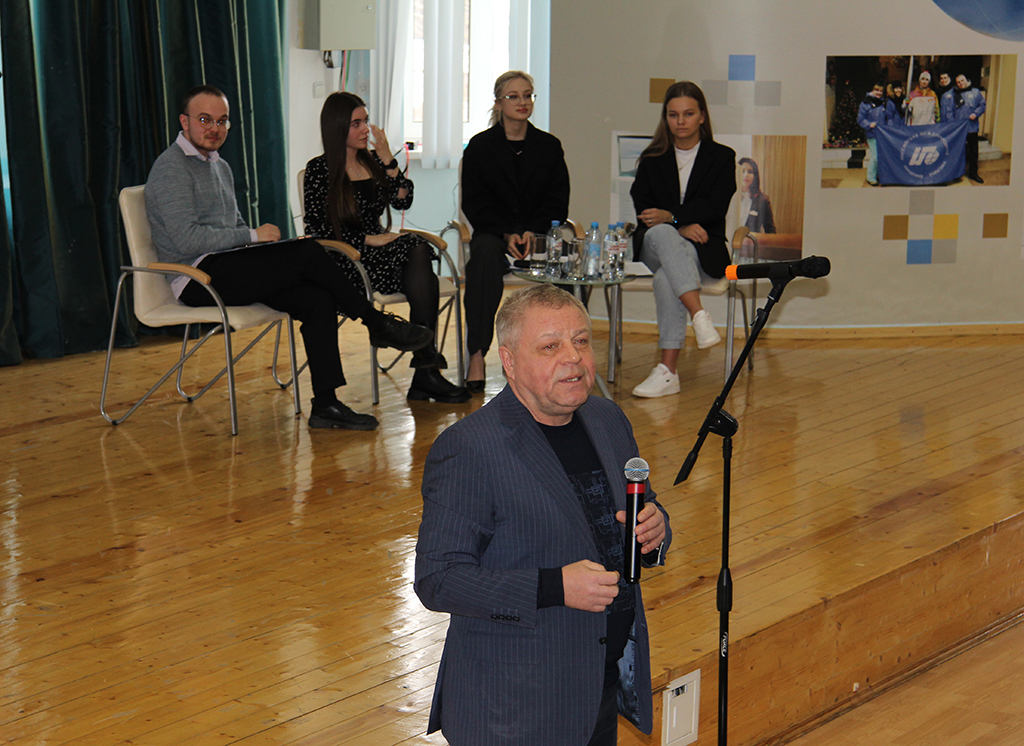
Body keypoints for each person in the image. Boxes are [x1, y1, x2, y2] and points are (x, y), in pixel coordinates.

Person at [415, 284, 671, 746]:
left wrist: (656, 529)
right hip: (516, 706)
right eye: (550, 347)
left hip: (598, 685)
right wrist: (555, 586)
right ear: (509, 362)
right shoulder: (470, 449)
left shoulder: (607, 419)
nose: (573, 358)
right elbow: (438, 579)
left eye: (580, 341)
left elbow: (639, 505)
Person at [145, 85, 432, 431]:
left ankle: (325, 404)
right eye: (205, 120)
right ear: (184, 122)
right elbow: (187, 239)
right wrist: (253, 237)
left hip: (229, 267)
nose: (214, 129)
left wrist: (254, 244)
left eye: (222, 121)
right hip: (196, 277)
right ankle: (376, 322)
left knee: (317, 299)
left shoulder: (218, 165)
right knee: (308, 249)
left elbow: (233, 226)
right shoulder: (172, 168)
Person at [304, 92, 469, 403]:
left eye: (366, 121)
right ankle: (427, 371)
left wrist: (388, 161)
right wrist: (366, 239)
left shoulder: (372, 162)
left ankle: (425, 369)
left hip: (381, 254)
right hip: (346, 260)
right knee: (419, 262)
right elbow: (316, 230)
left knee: (418, 249)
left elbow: (402, 199)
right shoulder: (318, 170)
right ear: (337, 127)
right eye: (356, 123)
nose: (366, 129)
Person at [461, 70, 570, 394]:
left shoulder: (549, 146)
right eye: (513, 96)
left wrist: (533, 232)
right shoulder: (480, 147)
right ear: (498, 103)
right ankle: (477, 354)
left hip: (539, 234)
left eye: (527, 95)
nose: (522, 102)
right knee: (483, 256)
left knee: (569, 260)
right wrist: (507, 233)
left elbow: (557, 200)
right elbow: (474, 202)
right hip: (494, 234)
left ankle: (564, 355)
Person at [629, 81, 736, 399]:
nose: (680, 121)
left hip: (702, 249)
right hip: (654, 245)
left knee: (666, 278)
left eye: (688, 114)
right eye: (673, 114)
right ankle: (698, 314)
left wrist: (673, 218)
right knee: (661, 233)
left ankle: (668, 372)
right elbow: (645, 212)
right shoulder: (652, 158)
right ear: (665, 117)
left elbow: (716, 207)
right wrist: (677, 226)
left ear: (702, 115)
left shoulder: (721, 157)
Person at [941, 74, 987, 183]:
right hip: (958, 129)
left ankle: (973, 173)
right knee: (956, 151)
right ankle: (955, 174)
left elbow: (982, 105)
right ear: (956, 83)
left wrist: (975, 114)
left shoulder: (975, 92)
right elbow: (949, 112)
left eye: (963, 80)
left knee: (973, 151)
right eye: (958, 82)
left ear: (967, 80)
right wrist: (953, 125)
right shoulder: (951, 95)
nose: (961, 83)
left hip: (972, 127)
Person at [857, 83, 897, 186]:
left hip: (882, 135)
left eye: (880, 91)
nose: (878, 93)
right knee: (875, 157)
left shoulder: (883, 103)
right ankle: (870, 177)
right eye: (877, 90)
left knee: (881, 156)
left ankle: (879, 175)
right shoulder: (865, 103)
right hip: (872, 134)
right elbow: (860, 119)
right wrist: (869, 124)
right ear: (872, 90)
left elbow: (888, 117)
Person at [738, 157, 776, 232]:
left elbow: (770, 231)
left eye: (750, 172)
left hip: (751, 239)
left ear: (755, 176)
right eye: (742, 171)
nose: (746, 175)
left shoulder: (762, 200)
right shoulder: (729, 197)